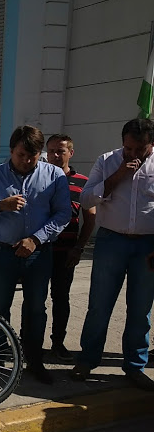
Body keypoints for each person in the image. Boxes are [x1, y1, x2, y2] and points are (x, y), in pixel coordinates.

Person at [0, 125, 71, 384]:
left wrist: (36, 239)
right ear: (12, 150)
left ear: (40, 153)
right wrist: (0, 205)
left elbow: (63, 214)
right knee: (0, 307)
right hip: (3, 252)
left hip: (38, 253)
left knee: (36, 308)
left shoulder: (54, 175)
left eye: (32, 155)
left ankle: (33, 360)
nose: (26, 161)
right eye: (21, 155)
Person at [70, 118, 154, 390]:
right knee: (100, 304)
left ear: (150, 144)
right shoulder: (107, 161)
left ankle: (134, 366)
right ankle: (87, 359)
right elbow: (85, 199)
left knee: (140, 309)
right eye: (127, 147)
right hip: (111, 241)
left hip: (147, 245)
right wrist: (117, 176)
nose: (131, 154)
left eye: (138, 149)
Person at [44, 134, 95, 363]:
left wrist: (79, 248)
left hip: (66, 252)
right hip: (39, 251)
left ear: (70, 153)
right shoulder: (38, 177)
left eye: (60, 151)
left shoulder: (83, 182)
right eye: (51, 150)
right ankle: (30, 344)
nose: (55, 156)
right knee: (34, 301)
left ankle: (58, 343)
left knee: (61, 299)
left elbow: (90, 219)